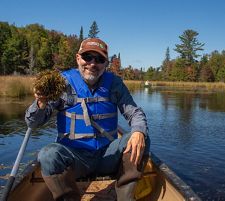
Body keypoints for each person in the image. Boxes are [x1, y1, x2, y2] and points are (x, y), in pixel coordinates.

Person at [25, 38, 150, 201]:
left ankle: (124, 197)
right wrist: (40, 103)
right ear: (78, 58)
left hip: (107, 156)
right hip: (75, 159)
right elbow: (33, 123)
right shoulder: (61, 83)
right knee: (48, 154)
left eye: (99, 59)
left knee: (141, 138)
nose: (92, 63)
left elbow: (135, 113)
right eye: (87, 57)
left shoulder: (114, 84)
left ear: (106, 64)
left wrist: (139, 131)